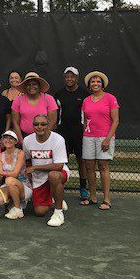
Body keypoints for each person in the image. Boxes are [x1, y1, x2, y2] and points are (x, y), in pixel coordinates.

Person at [81, 71, 119, 210]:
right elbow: (85, 121)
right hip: (88, 137)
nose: (95, 83)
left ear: (102, 84)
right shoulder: (86, 100)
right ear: (89, 85)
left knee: (103, 166)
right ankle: (92, 197)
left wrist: (108, 139)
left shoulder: (110, 98)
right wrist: (86, 134)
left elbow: (115, 121)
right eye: (93, 81)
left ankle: (107, 199)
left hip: (105, 137)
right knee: (89, 167)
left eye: (98, 81)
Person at [23, 114, 70, 227]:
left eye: (43, 124)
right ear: (33, 126)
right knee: (39, 212)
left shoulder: (58, 139)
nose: (40, 127)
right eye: (36, 124)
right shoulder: (27, 140)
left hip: (58, 173)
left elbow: (59, 166)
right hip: (39, 177)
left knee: (54, 176)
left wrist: (36, 167)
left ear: (48, 125)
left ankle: (58, 213)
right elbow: (28, 160)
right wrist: (30, 173)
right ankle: (54, 196)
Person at [54, 67, 90, 201]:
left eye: (72, 76)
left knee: (82, 161)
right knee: (63, 162)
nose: (69, 79)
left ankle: (83, 188)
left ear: (76, 78)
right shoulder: (58, 94)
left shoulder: (84, 94)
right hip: (63, 133)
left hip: (79, 132)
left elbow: (87, 114)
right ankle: (60, 188)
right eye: (67, 76)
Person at [0, 130, 32, 220]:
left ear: (16, 141)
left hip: (23, 186)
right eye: (5, 138)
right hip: (9, 185)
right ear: (3, 141)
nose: (8, 140)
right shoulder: (0, 156)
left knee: (10, 180)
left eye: (11, 138)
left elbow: (15, 174)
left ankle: (18, 208)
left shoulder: (21, 153)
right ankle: (14, 203)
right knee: (0, 199)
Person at [11, 72, 58, 141]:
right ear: (25, 86)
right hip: (24, 136)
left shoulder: (48, 99)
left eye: (34, 84)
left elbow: (52, 122)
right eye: (28, 85)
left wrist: (44, 138)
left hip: (45, 137)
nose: (31, 87)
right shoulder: (18, 99)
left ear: (39, 86)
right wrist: (21, 141)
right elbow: (15, 123)